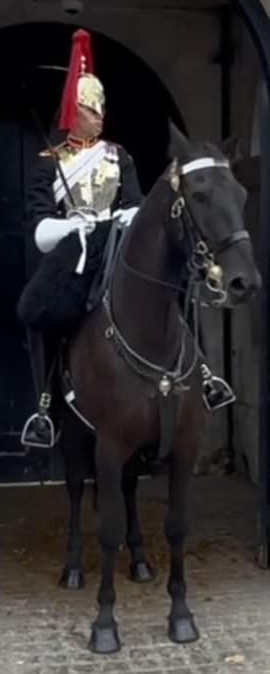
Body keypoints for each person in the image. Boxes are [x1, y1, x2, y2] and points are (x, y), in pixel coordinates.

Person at [18, 28, 234, 449]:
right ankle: (45, 405)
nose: (99, 115)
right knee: (40, 311)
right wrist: (75, 226)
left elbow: (135, 205)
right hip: (74, 252)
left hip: (118, 243)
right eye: (90, 108)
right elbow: (41, 227)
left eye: (101, 108)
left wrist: (116, 219)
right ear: (72, 111)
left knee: (175, 289)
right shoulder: (49, 164)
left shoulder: (119, 156)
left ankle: (205, 375)